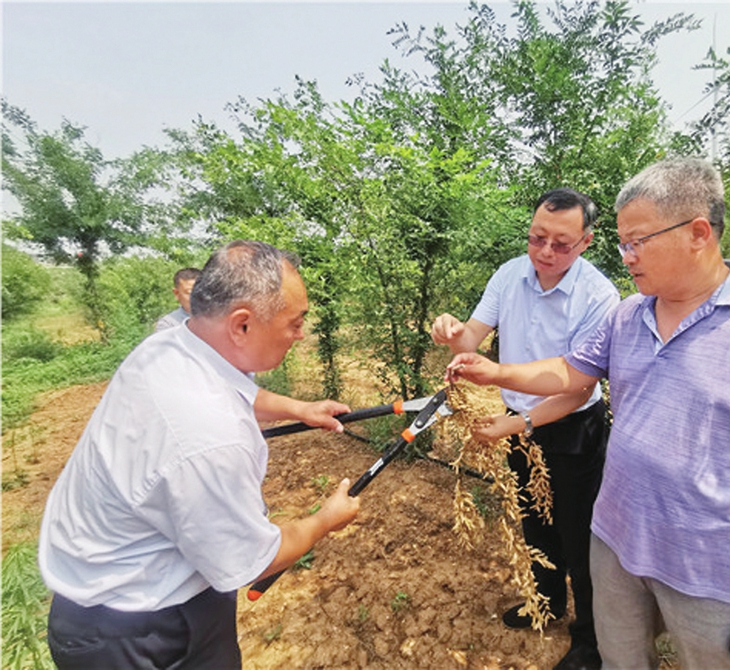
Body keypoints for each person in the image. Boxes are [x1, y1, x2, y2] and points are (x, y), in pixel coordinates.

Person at [447, 158, 730, 669]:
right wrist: (495, 373)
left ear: (697, 233)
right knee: (622, 659)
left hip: (712, 571)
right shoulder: (629, 314)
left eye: (637, 242)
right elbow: (571, 373)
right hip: (616, 542)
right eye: (623, 243)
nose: (627, 257)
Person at [39, 240, 360, 669]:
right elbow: (254, 561)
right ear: (242, 325)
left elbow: (231, 390)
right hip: (136, 631)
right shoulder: (208, 439)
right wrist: (325, 520)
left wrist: (300, 408)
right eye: (295, 322)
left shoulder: (170, 347)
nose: (302, 335)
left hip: (138, 591)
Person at [431, 188, 619, 670]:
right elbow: (472, 336)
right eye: (537, 238)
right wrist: (453, 334)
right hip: (519, 426)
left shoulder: (598, 296)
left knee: (580, 537)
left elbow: (578, 386)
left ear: (586, 242)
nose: (545, 253)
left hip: (573, 426)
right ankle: (546, 603)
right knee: (536, 523)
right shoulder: (510, 274)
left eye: (561, 244)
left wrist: (517, 420)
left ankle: (589, 641)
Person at [155, 266, 201, 331]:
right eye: (189, 292)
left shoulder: (216, 318)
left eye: (199, 291)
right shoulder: (168, 324)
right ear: (176, 293)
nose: (195, 296)